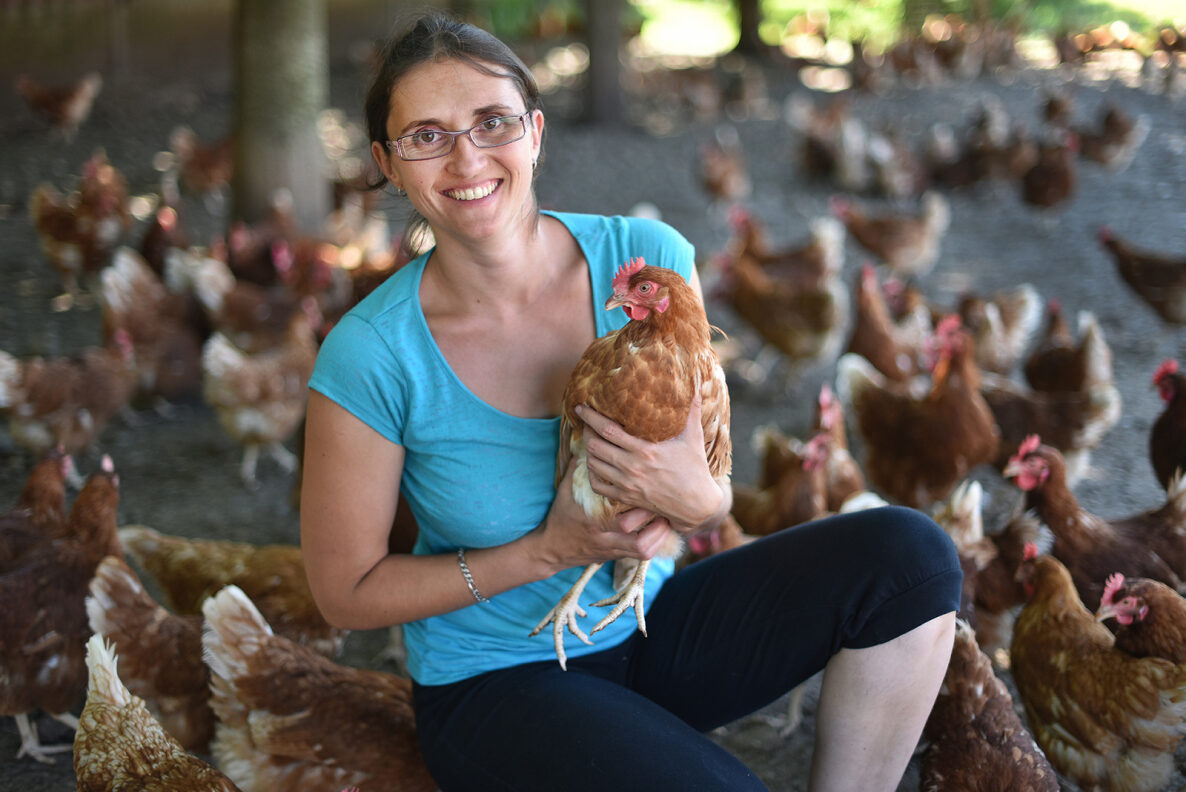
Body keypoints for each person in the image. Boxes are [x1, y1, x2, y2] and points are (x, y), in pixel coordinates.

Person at [300, 10, 961, 791]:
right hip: (495, 684)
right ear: (387, 161)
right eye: (427, 135)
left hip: (646, 625)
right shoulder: (373, 350)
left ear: (535, 132)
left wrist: (703, 503)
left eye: (492, 122)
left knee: (911, 559)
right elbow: (344, 593)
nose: (466, 156)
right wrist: (547, 552)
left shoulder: (645, 263)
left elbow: (706, 471)